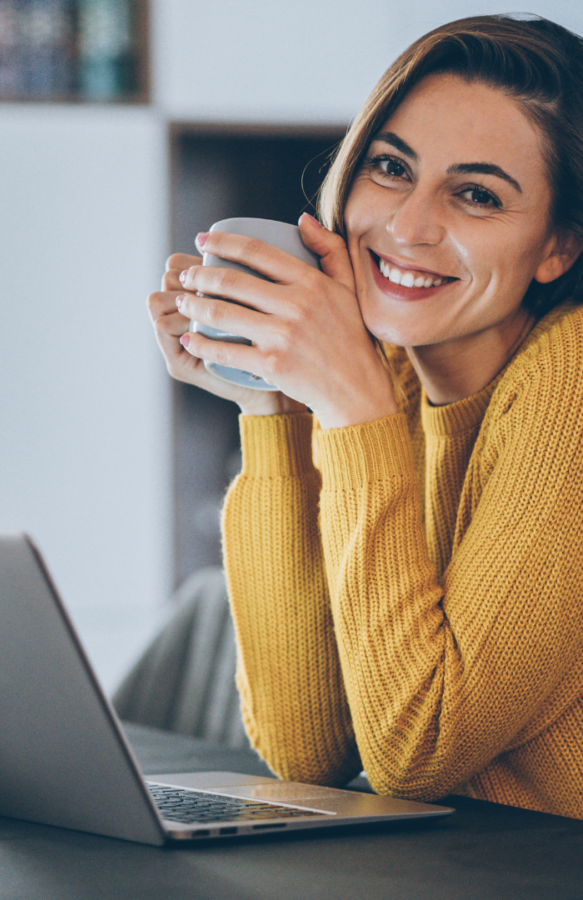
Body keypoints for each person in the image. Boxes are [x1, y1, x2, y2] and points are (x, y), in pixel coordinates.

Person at [148, 14, 583, 819]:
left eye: (477, 194)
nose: (409, 227)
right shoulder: (392, 380)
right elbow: (306, 748)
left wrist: (350, 407)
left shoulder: (571, 380)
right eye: (391, 167)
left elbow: (415, 749)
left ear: (558, 247)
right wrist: (270, 407)